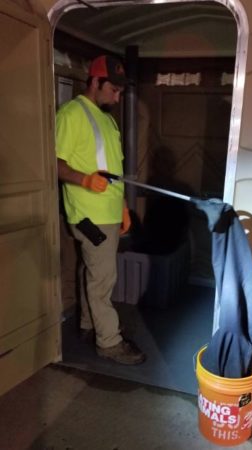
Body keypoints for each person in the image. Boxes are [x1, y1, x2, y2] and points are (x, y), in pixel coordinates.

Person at [56, 55, 145, 365]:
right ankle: (108, 342)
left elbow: (111, 171)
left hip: (108, 212)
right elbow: (54, 164)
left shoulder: (106, 119)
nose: (118, 97)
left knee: (91, 270)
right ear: (95, 82)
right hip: (88, 215)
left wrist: (122, 207)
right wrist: (84, 179)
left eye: (121, 91)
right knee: (103, 278)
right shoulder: (71, 114)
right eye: (114, 90)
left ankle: (88, 325)